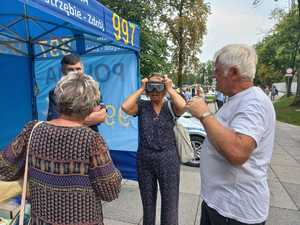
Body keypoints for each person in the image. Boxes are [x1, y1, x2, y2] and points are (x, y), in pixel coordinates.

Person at [0, 73, 122, 225]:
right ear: (91, 106)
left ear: (58, 100)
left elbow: (4, 168)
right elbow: (110, 191)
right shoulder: (92, 140)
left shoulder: (32, 129)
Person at [186, 44, 275, 225]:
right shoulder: (239, 99)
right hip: (220, 204)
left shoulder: (254, 103)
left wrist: (204, 114)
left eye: (217, 71)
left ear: (233, 72)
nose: (214, 76)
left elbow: (238, 152)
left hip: (235, 211)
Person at [121, 73, 186, 225]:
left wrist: (170, 89)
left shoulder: (170, 106)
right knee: (148, 205)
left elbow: (183, 107)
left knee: (170, 205)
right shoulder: (142, 106)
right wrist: (142, 88)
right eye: (151, 86)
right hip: (145, 160)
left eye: (159, 86)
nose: (155, 90)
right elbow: (125, 107)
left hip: (168, 160)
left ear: (164, 88)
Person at [47, 54, 106, 132]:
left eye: (78, 69)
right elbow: (54, 122)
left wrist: (69, 120)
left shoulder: (94, 88)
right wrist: (88, 118)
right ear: (63, 70)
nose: (75, 72)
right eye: (71, 69)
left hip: (90, 136)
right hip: (67, 138)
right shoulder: (56, 92)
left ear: (83, 69)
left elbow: (101, 116)